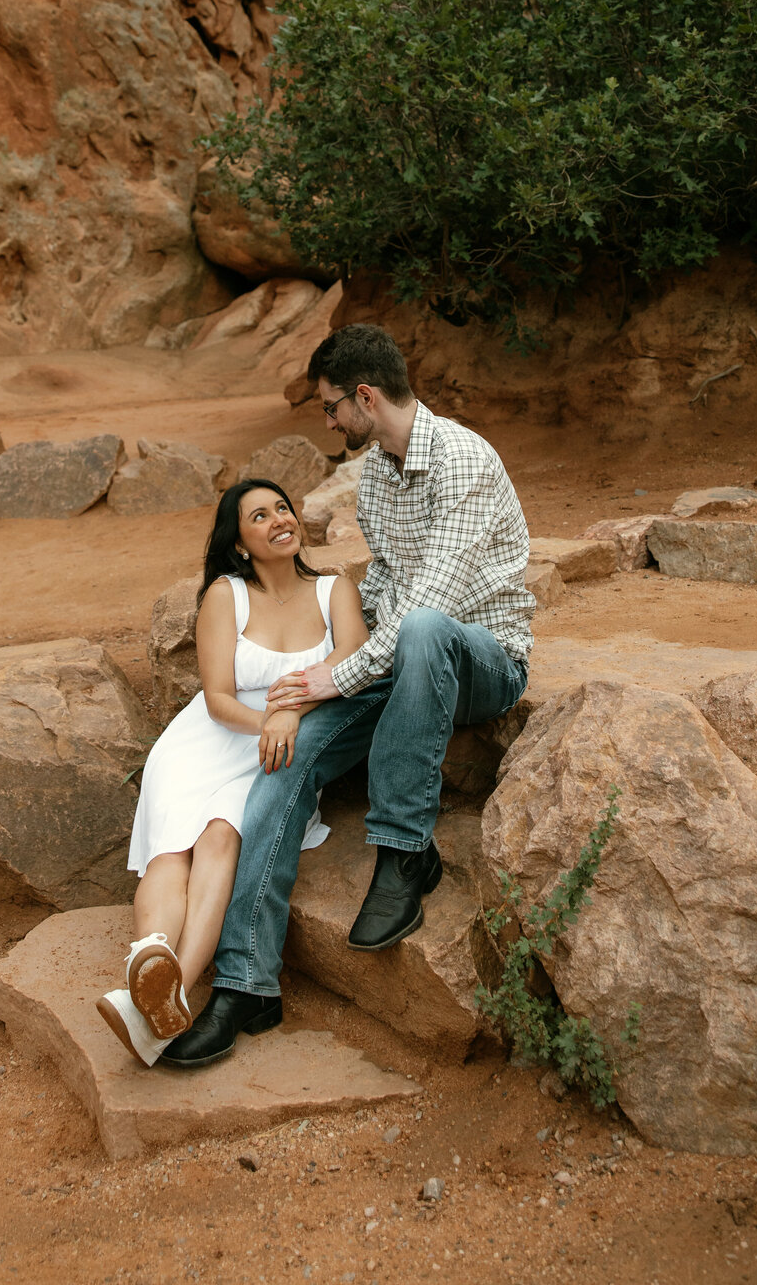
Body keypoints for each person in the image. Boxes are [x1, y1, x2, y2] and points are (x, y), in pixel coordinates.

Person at [160, 323, 534, 1069]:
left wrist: (341, 673)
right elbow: (388, 589)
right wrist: (305, 691)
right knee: (285, 758)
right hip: (402, 665)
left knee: (426, 626)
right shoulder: (381, 477)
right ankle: (245, 984)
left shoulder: (462, 459)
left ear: (366, 396)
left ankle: (404, 851)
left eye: (333, 408)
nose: (329, 423)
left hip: (484, 659)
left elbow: (432, 600)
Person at [95, 476, 369, 1066]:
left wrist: (293, 712)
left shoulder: (333, 590)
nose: (279, 520)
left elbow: (356, 662)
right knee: (173, 853)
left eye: (283, 509)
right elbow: (218, 699)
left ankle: (166, 991)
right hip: (211, 740)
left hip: (277, 751)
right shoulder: (227, 594)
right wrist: (271, 717)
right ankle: (152, 958)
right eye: (260, 516)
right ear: (240, 542)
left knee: (221, 839)